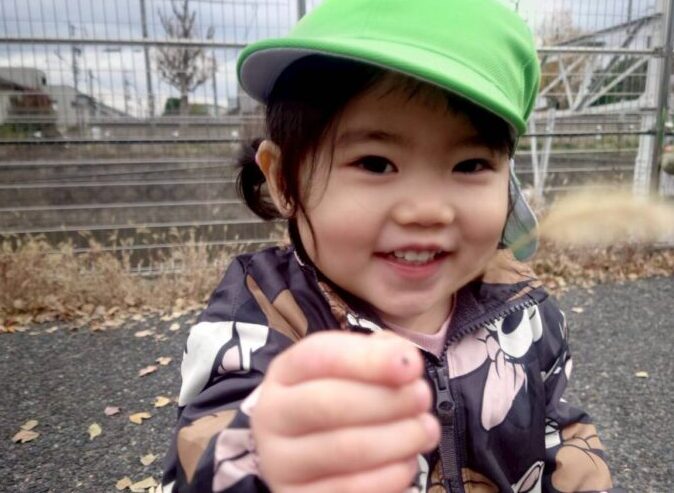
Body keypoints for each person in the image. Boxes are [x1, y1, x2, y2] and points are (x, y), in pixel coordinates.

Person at [162, 0, 623, 491]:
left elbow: (557, 428)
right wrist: (266, 458)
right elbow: (208, 446)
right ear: (283, 180)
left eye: (470, 165)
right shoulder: (261, 319)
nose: (428, 211)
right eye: (376, 163)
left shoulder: (523, 307)